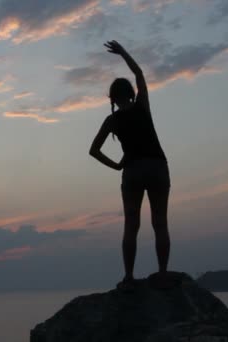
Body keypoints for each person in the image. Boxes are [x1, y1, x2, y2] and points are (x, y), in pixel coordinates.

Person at [89, 40, 171, 290]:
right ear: (132, 94)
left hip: (133, 171)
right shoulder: (142, 106)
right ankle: (163, 273)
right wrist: (123, 52)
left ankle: (128, 277)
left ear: (113, 98)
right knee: (160, 222)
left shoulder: (111, 120)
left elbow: (93, 150)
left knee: (131, 226)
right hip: (157, 167)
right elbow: (139, 73)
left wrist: (116, 166)